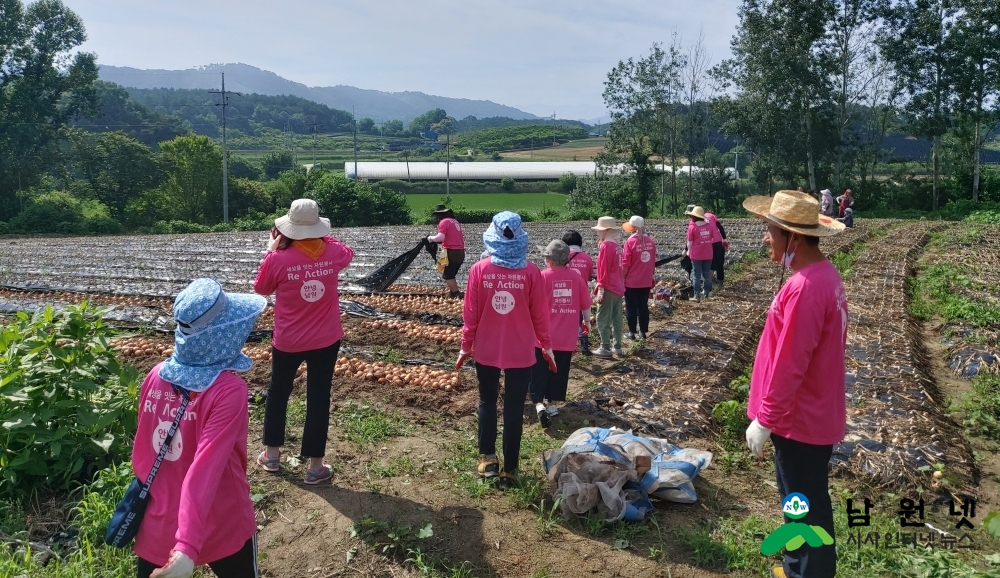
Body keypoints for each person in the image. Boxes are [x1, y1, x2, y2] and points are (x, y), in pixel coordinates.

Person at [741, 190, 847, 578]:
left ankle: (806, 572)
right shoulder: (823, 275)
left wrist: (766, 418)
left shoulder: (804, 287)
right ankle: (800, 565)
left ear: (795, 239)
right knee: (806, 499)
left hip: (799, 419)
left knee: (802, 501)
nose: (766, 238)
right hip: (812, 412)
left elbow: (791, 363)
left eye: (771, 231)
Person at [132, 278, 266, 578]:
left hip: (161, 519)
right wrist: (187, 544)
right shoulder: (228, 390)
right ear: (226, 334)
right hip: (222, 518)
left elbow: (142, 454)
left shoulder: (155, 376)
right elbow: (205, 468)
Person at [254, 198, 354, 485]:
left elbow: (261, 288)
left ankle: (272, 455)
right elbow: (348, 253)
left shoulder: (278, 258)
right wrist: (323, 235)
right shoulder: (333, 251)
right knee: (319, 397)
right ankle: (315, 467)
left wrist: (271, 248)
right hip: (326, 339)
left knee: (278, 392)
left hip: (288, 340)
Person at [458, 211, 553, 489]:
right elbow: (540, 316)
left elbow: (470, 315)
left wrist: (466, 347)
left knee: (487, 401)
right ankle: (510, 470)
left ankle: (488, 459)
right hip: (521, 351)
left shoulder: (480, 270)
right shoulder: (532, 272)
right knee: (513, 407)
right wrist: (546, 346)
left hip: (486, 348)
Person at [530, 239, 591, 427]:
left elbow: (531, 304)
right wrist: (587, 322)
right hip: (566, 336)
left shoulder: (542, 276)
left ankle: (539, 403)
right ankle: (553, 404)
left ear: (549, 259)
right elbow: (586, 304)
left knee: (539, 371)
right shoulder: (576, 277)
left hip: (542, 337)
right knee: (559, 370)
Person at [590, 216, 625, 359]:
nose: (598, 233)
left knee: (602, 317)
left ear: (607, 231)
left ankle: (605, 346)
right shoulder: (617, 245)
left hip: (609, 286)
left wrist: (601, 288)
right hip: (619, 286)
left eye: (600, 231)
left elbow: (603, 269)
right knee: (617, 317)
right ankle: (618, 346)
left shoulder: (606, 246)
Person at [621, 215, 656, 341]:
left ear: (632, 228)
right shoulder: (651, 242)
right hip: (646, 280)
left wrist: (622, 278)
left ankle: (631, 332)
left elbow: (625, 264)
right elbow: (652, 262)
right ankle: (643, 332)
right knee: (643, 306)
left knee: (631, 306)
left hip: (631, 281)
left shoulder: (630, 242)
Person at [562, 230, 595, 353]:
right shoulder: (587, 258)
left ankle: (567, 346)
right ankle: (584, 346)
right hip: (582, 294)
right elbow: (590, 275)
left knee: (566, 320)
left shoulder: (562, 257)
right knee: (583, 320)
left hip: (566, 294)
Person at [426, 204, 466, 299]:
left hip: (452, 252)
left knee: (448, 275)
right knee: (451, 273)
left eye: (438, 215)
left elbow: (440, 237)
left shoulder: (444, 222)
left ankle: (456, 294)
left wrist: (430, 238)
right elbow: (448, 237)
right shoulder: (455, 221)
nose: (437, 217)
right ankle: (452, 292)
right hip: (460, 252)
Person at [685, 206, 715, 301]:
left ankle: (696, 295)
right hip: (708, 253)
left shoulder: (692, 227)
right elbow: (712, 237)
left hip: (696, 254)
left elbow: (689, 242)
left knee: (696, 275)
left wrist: (688, 251)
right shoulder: (709, 225)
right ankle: (706, 293)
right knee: (706, 274)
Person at [704, 210, 729, 286]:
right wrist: (724, 239)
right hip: (718, 242)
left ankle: (709, 283)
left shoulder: (701, 218)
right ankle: (720, 281)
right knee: (720, 263)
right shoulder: (712, 216)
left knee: (711, 263)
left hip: (709, 243)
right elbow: (720, 227)